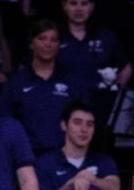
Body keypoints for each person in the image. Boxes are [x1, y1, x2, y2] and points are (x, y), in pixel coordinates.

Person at [7, 20, 90, 155]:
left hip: (66, 156)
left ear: (59, 45)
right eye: (42, 38)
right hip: (27, 157)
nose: (48, 44)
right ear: (31, 43)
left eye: (54, 40)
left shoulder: (73, 81)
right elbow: (7, 123)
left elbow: (85, 119)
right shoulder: (17, 81)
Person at [35, 101, 120, 190]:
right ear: (64, 125)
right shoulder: (45, 163)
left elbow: (114, 189)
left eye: (90, 124)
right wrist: (70, 185)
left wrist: (92, 180)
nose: (84, 129)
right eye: (77, 123)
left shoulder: (104, 161)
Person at [57, 0, 132, 94]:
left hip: (98, 104)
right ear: (64, 6)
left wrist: (115, 91)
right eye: (73, 3)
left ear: (91, 6)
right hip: (61, 102)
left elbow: (126, 68)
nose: (79, 8)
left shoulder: (106, 37)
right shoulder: (54, 36)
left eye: (84, 3)